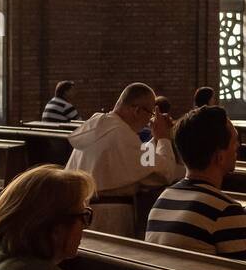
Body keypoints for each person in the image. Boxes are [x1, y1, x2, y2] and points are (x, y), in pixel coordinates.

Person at [65, 82, 182, 236]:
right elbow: (164, 172)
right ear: (137, 110)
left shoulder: (100, 126)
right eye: (151, 114)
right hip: (109, 217)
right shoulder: (120, 133)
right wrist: (163, 138)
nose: (150, 121)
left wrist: (155, 138)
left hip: (85, 212)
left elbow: (140, 159)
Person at [146, 106, 246, 258]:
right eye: (234, 141)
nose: (238, 146)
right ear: (219, 157)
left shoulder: (164, 199)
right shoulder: (227, 211)